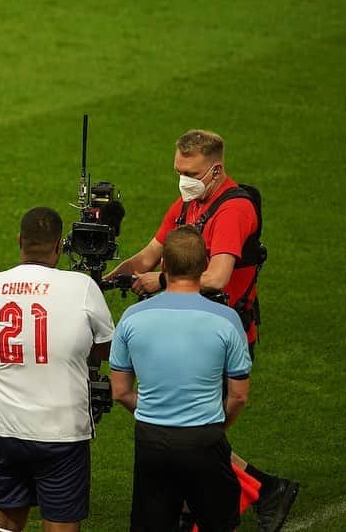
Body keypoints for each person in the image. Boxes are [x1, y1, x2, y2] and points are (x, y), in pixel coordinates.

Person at [104, 129, 297, 532]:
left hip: (221, 333)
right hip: (189, 326)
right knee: (193, 429)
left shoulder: (233, 210)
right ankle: (263, 490)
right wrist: (105, 280)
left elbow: (218, 276)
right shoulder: (186, 205)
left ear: (215, 169)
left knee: (193, 427)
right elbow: (148, 254)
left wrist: (161, 280)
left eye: (189, 172)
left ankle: (259, 492)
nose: (182, 179)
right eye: (178, 170)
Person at [0, 207, 115, 532]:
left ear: (20, 240)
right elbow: (106, 349)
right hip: (60, 430)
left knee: (5, 517)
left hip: (2, 426)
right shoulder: (82, 287)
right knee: (60, 522)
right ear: (60, 245)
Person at [110, 225, 253, 532]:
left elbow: (120, 392)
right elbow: (239, 395)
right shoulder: (227, 321)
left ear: (163, 266)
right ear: (204, 265)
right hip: (205, 439)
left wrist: (155, 412)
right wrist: (214, 424)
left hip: (152, 441)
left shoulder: (132, 319)